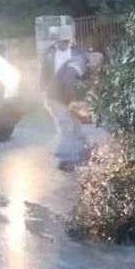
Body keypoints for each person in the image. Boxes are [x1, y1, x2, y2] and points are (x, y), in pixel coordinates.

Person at [41, 26, 88, 171]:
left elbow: (78, 85)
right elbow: (67, 83)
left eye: (66, 41)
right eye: (61, 42)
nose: (64, 44)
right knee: (67, 126)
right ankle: (65, 160)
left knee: (77, 124)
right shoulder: (78, 62)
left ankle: (84, 153)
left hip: (65, 94)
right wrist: (73, 104)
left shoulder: (78, 55)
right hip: (56, 96)